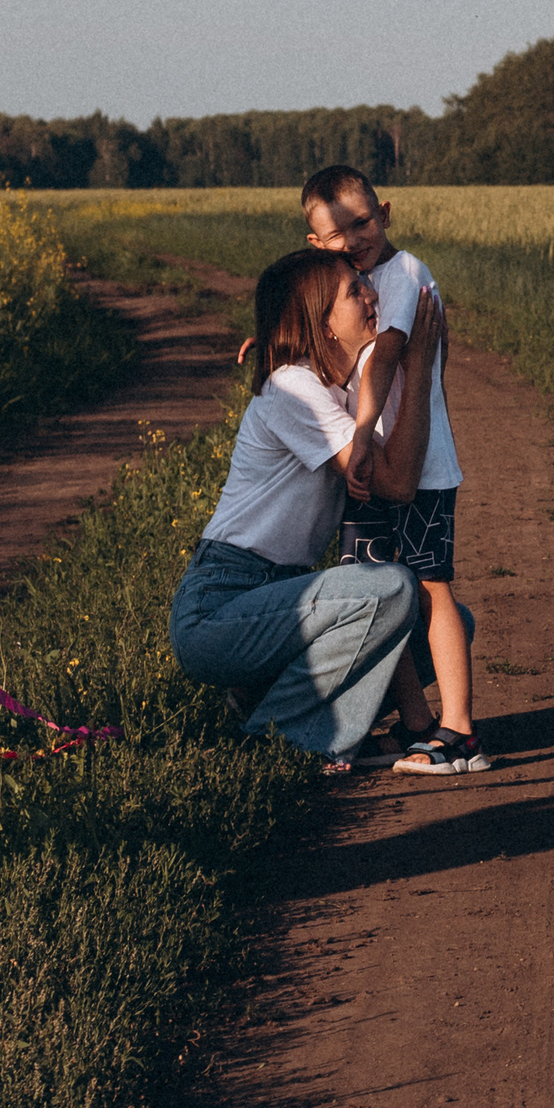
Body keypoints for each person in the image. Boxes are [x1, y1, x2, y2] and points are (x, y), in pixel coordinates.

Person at [168, 250, 446, 766]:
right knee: (393, 589)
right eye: (354, 291)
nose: (372, 295)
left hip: (281, 601)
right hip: (222, 604)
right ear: (322, 324)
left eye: (367, 283)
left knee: (451, 628)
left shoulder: (341, 393)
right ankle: (275, 742)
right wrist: (421, 366)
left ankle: (272, 701)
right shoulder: (293, 388)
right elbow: (400, 484)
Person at [302, 164, 489, 774]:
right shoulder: (339, 284)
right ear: (315, 244)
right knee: (381, 594)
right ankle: (416, 725)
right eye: (337, 233)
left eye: (362, 223)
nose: (354, 240)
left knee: (433, 591)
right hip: (372, 472)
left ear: (385, 213)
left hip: (422, 469)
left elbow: (384, 355)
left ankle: (459, 730)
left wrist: (359, 434)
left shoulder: (405, 272)